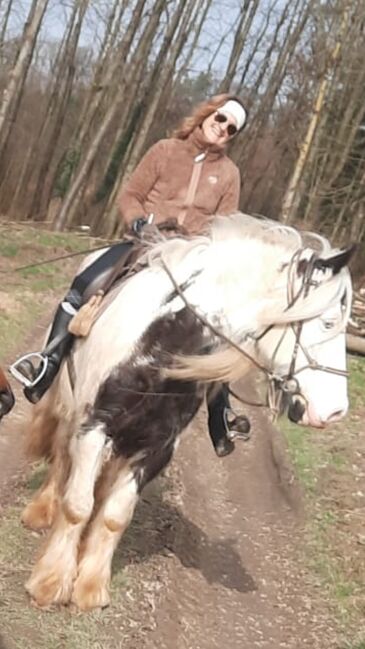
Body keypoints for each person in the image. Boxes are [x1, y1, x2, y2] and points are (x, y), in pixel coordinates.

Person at [11, 93, 250, 456]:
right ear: (206, 115)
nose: (223, 129)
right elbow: (131, 195)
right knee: (83, 286)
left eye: (232, 129)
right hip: (144, 243)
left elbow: (225, 224)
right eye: (221, 119)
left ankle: (221, 416)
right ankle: (48, 363)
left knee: (218, 329)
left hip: (190, 257)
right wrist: (138, 221)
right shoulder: (164, 150)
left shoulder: (229, 174)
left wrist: (203, 245)